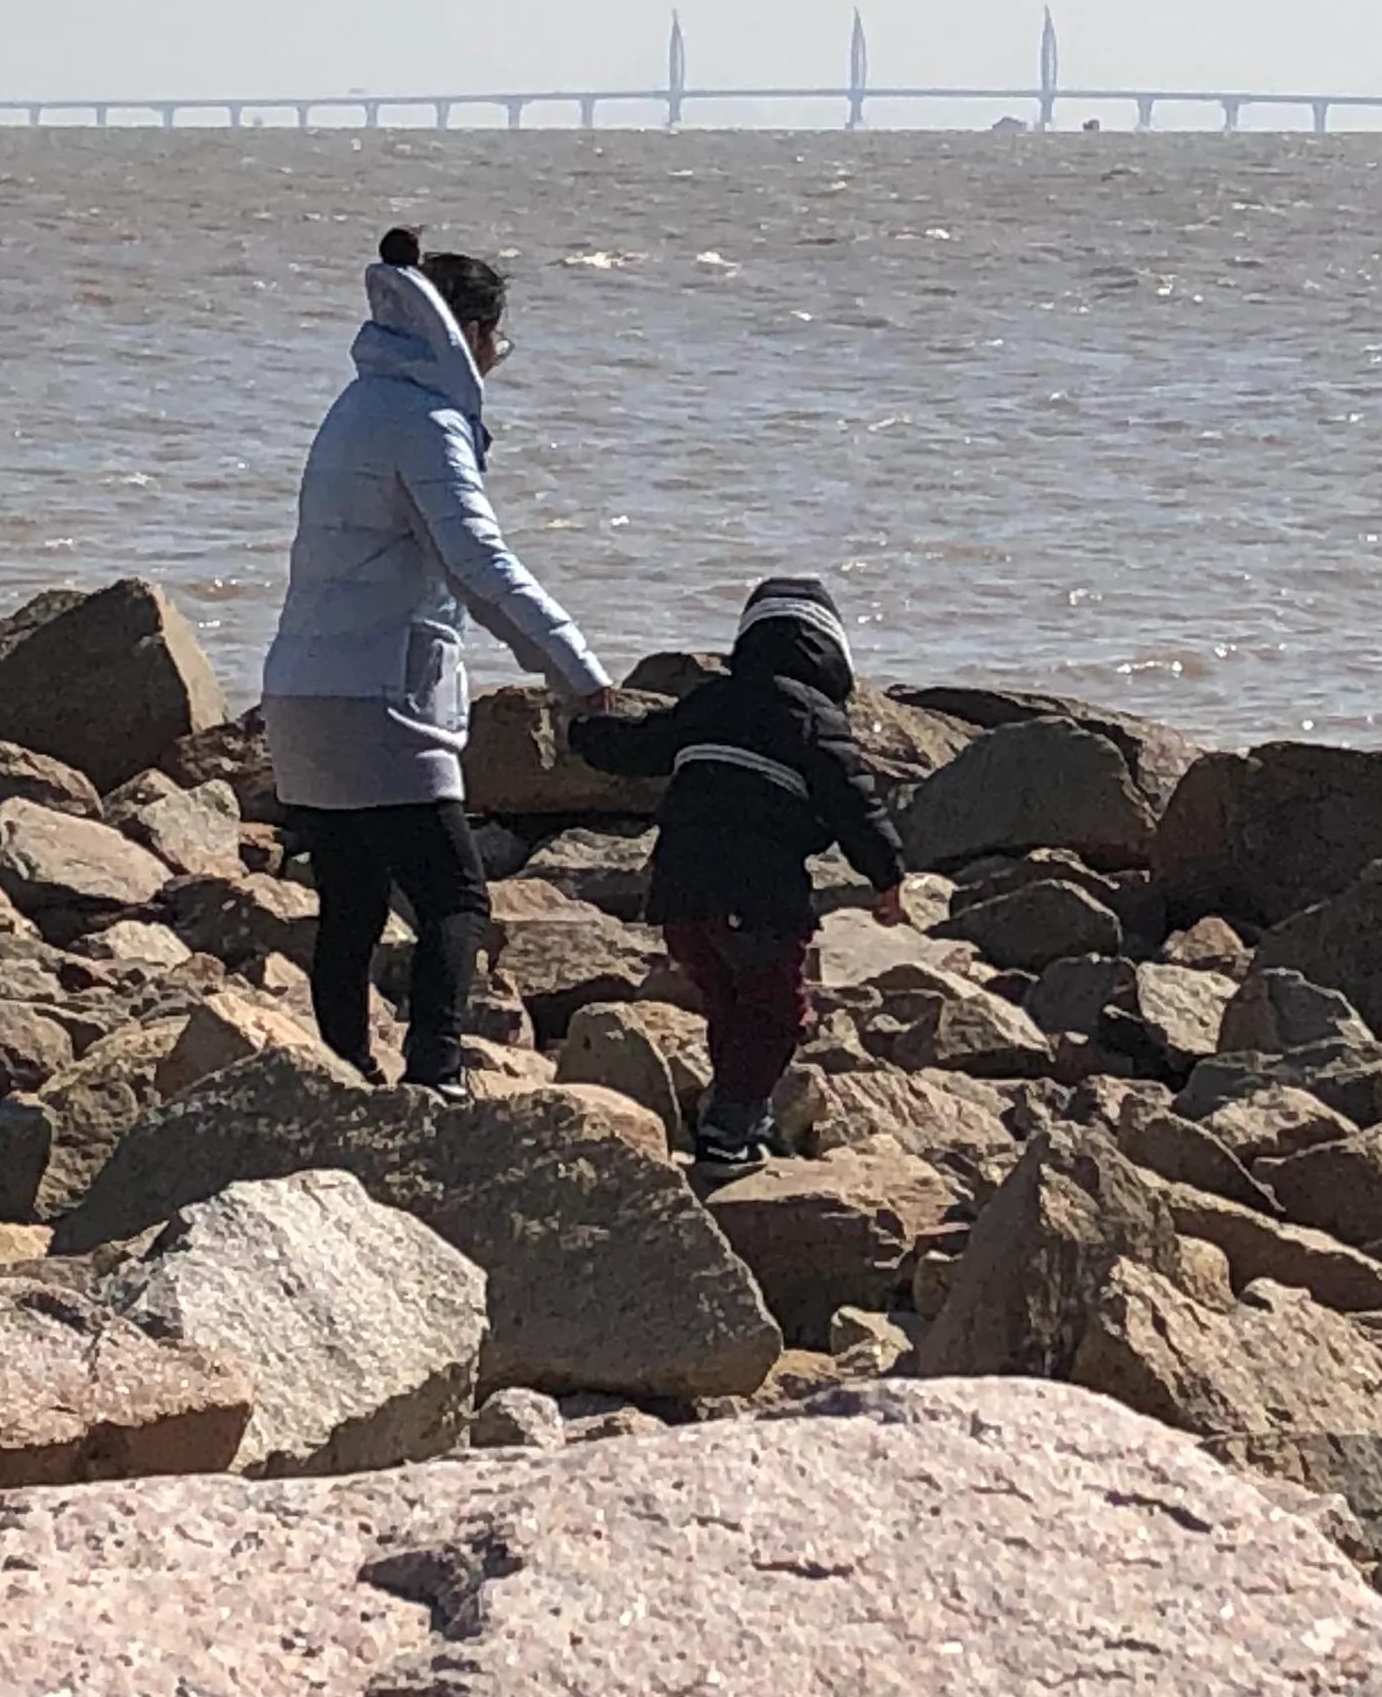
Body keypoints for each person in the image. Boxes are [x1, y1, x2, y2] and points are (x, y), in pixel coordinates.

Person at [262, 233, 610, 1094]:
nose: (499, 359)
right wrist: (579, 672)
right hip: (380, 698)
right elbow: (479, 564)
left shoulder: (359, 401)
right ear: (474, 333)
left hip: (303, 691)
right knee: (456, 899)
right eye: (500, 340)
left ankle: (342, 1078)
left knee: (352, 901)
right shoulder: (428, 420)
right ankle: (435, 1078)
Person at [571, 576, 909, 1173]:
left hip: (679, 893)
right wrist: (888, 874)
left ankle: (744, 1122)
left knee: (730, 1004)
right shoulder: (816, 718)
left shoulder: (709, 700)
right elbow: (854, 803)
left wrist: (587, 729)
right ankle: (729, 1131)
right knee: (777, 1014)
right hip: (758, 895)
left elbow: (641, 746)